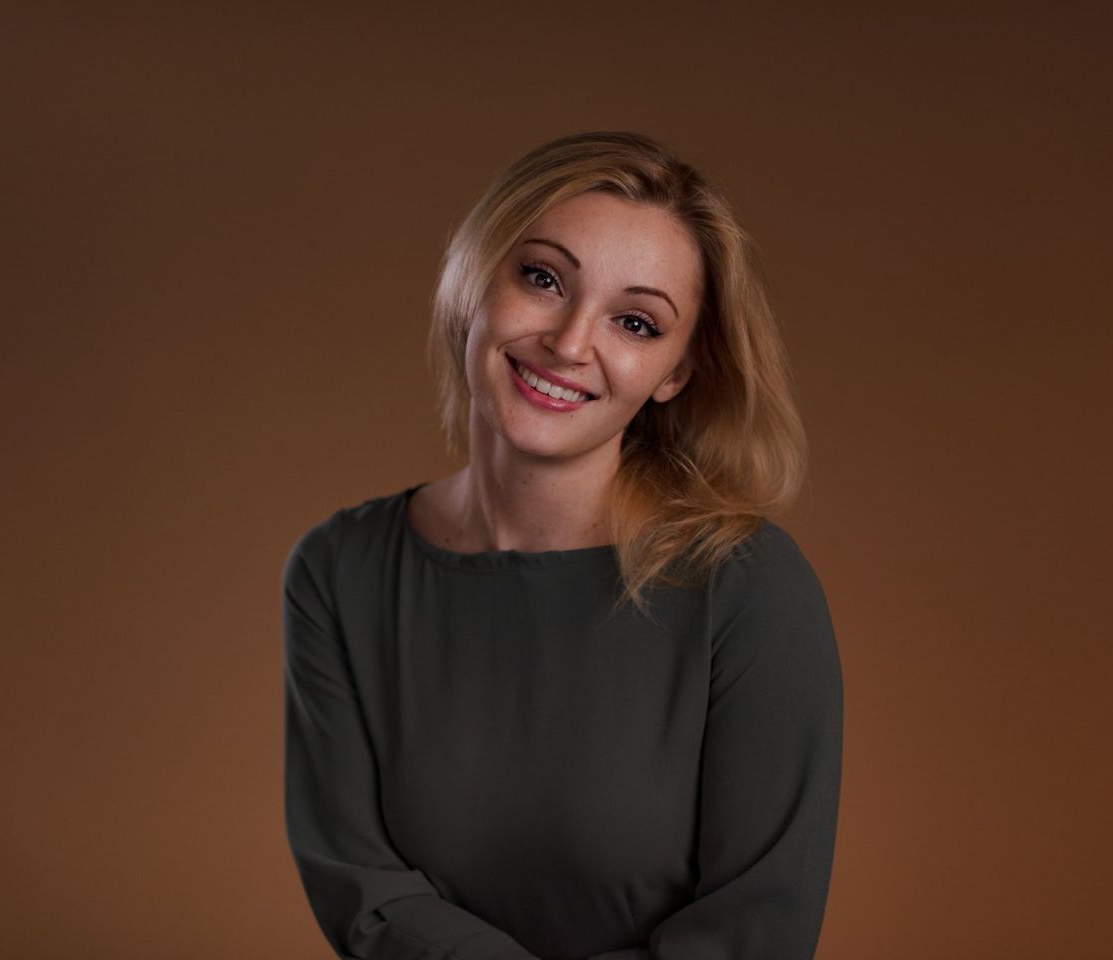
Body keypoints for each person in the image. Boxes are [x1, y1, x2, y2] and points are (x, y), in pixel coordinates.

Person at [281, 130, 844, 960]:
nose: (572, 342)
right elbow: (363, 889)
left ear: (676, 374)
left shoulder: (747, 586)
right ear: (476, 278)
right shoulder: (339, 572)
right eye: (543, 278)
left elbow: (752, 931)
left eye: (635, 322)